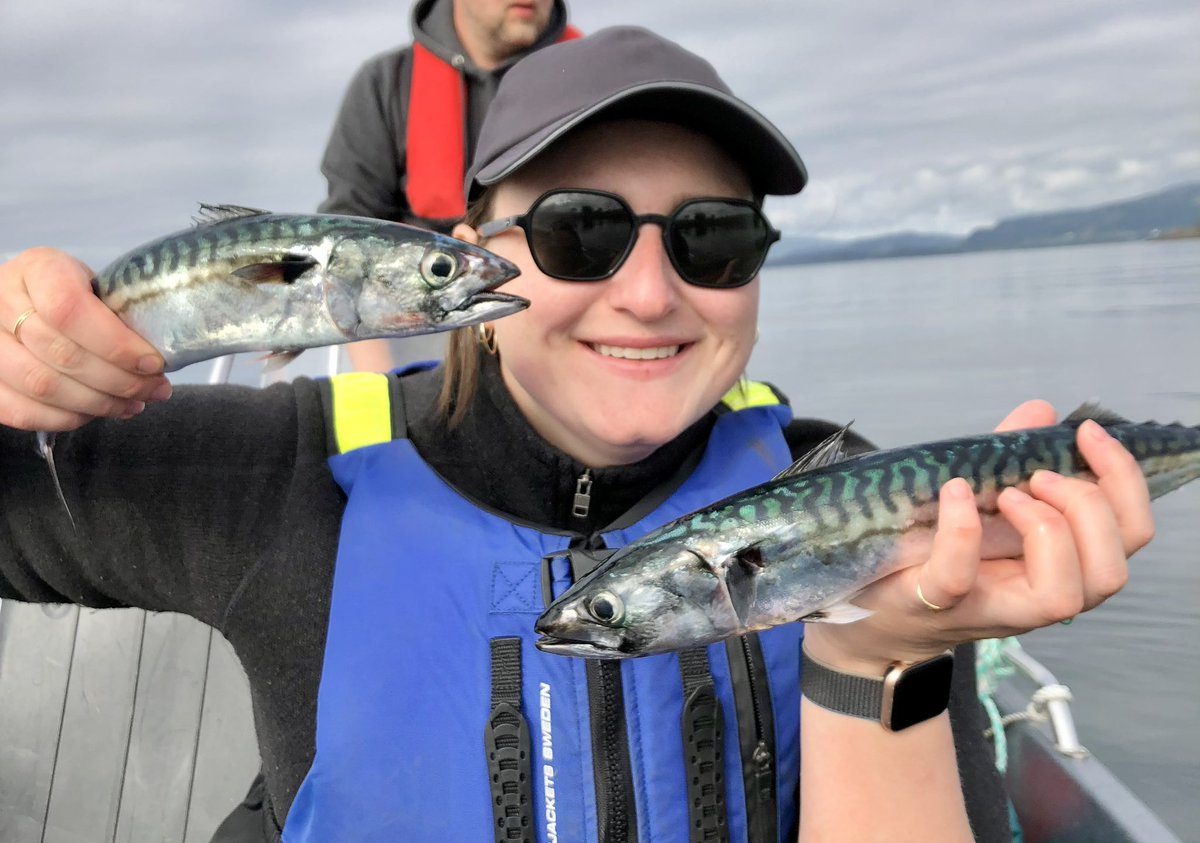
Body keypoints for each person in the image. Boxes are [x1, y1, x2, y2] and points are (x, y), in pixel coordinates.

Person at [0, 27, 1154, 843]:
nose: (650, 295)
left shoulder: (855, 501)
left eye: (711, 238)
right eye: (579, 229)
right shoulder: (285, 474)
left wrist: (873, 653)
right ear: (475, 247)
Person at [321, 0, 579, 373]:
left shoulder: (598, 82)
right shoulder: (384, 85)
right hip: (421, 325)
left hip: (564, 314)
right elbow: (346, 251)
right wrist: (381, 387)